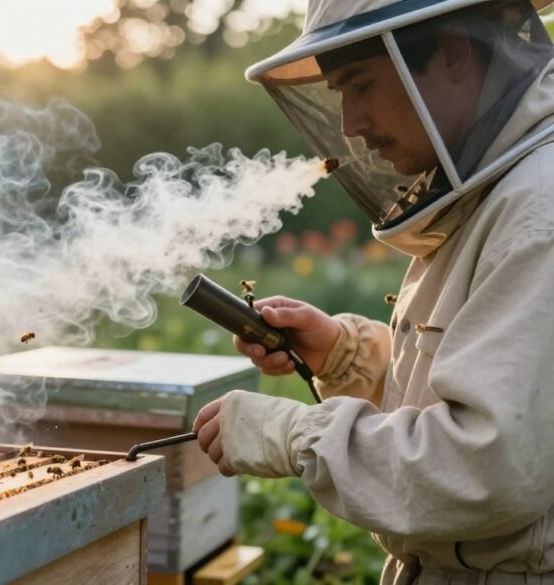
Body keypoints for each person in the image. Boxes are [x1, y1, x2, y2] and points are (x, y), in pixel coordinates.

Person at [192, 0, 554, 583]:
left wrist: (291, 433)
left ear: (453, 54)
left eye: (359, 85)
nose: (351, 125)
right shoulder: (498, 191)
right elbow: (497, 401)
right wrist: (346, 353)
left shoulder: (539, 207)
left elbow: (487, 466)